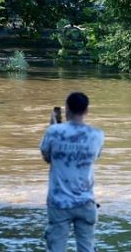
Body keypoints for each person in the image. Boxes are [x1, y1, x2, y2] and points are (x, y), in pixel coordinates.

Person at [40, 92, 104, 252]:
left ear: (67, 108)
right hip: (86, 202)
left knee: (56, 248)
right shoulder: (97, 135)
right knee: (87, 248)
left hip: (59, 203)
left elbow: (47, 158)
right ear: (86, 110)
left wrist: (52, 126)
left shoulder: (53, 132)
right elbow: (92, 158)